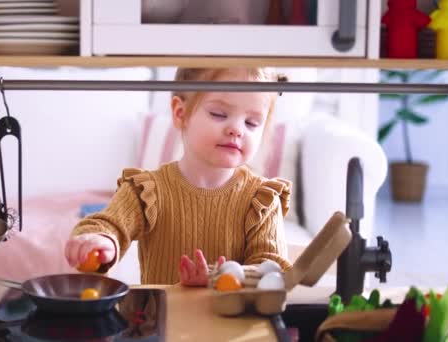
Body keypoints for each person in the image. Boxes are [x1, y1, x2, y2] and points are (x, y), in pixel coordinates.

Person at [65, 67, 292, 286]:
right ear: (180, 113)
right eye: (219, 114)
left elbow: (271, 269)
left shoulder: (262, 200)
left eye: (252, 123)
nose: (237, 129)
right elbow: (106, 225)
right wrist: (99, 240)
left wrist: (218, 278)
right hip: (161, 321)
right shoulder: (147, 191)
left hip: (234, 325)